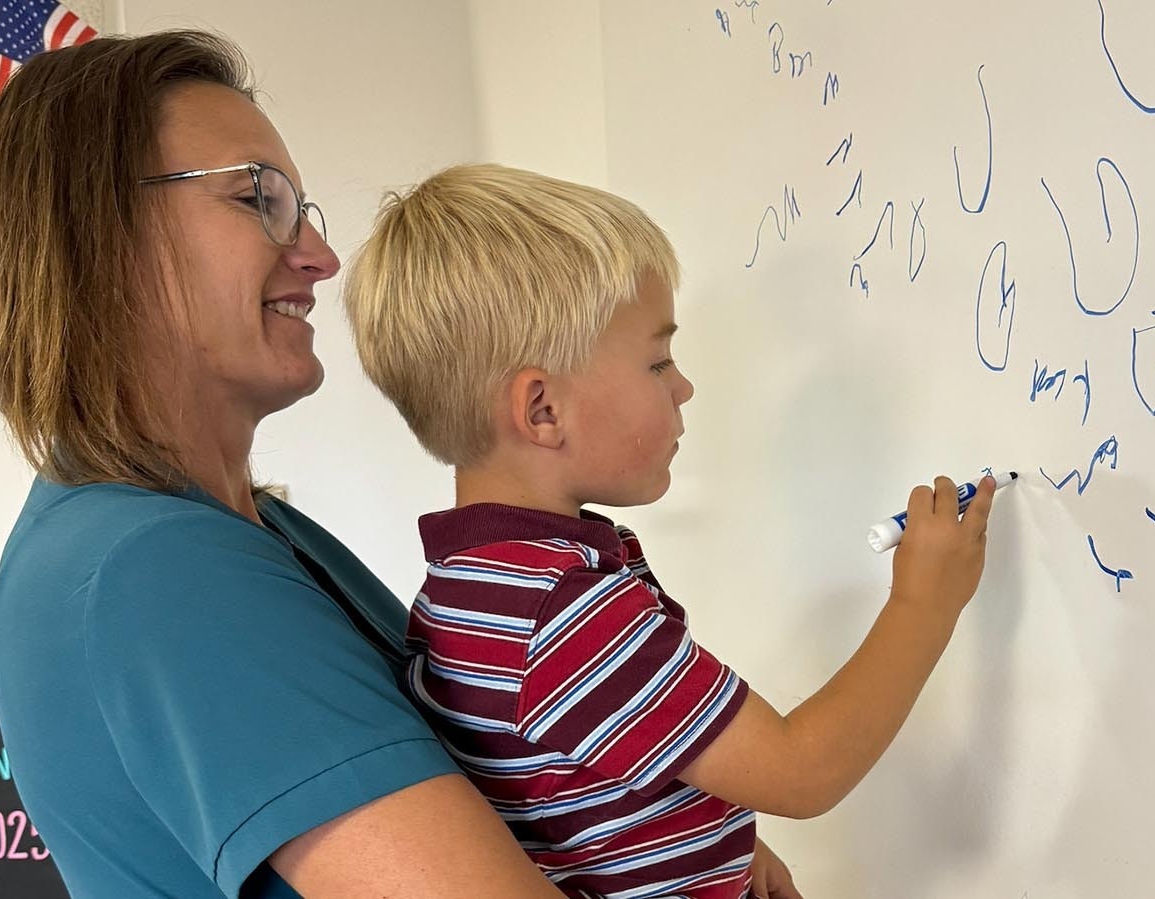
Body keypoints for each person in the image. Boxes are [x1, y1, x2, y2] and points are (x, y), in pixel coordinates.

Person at [0, 32, 564, 898]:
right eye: (259, 198)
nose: (319, 257)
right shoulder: (157, 566)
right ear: (95, 236)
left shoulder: (210, 530)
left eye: (303, 209)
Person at [342, 163, 999, 898]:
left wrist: (716, 845)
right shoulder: (559, 611)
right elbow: (802, 771)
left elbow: (571, 783)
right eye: (658, 360)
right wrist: (924, 606)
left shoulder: (477, 583)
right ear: (542, 411)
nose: (683, 385)